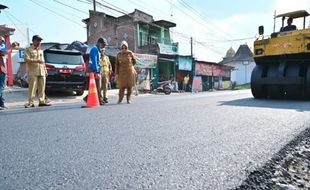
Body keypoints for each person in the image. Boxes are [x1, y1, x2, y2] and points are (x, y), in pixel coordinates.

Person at [24, 35, 51, 108]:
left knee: (42, 88)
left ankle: (42, 101)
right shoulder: (28, 49)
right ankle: (30, 102)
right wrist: (36, 61)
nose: (39, 42)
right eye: (37, 40)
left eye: (40, 41)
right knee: (32, 88)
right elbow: (26, 59)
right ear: (33, 41)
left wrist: (45, 70)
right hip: (33, 72)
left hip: (41, 71)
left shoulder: (41, 50)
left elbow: (43, 62)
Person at [83, 37, 107, 105]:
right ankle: (99, 100)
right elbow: (94, 61)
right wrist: (96, 72)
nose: (104, 46)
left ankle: (88, 98)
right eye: (104, 44)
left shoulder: (98, 50)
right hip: (93, 70)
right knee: (97, 85)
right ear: (100, 43)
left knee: (95, 86)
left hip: (96, 69)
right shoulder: (94, 49)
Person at [0, 36, 7, 110]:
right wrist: (12, 47)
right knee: (1, 88)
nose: (3, 42)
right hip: (1, 71)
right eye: (2, 41)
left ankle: (2, 104)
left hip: (2, 71)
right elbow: (4, 53)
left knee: (1, 89)